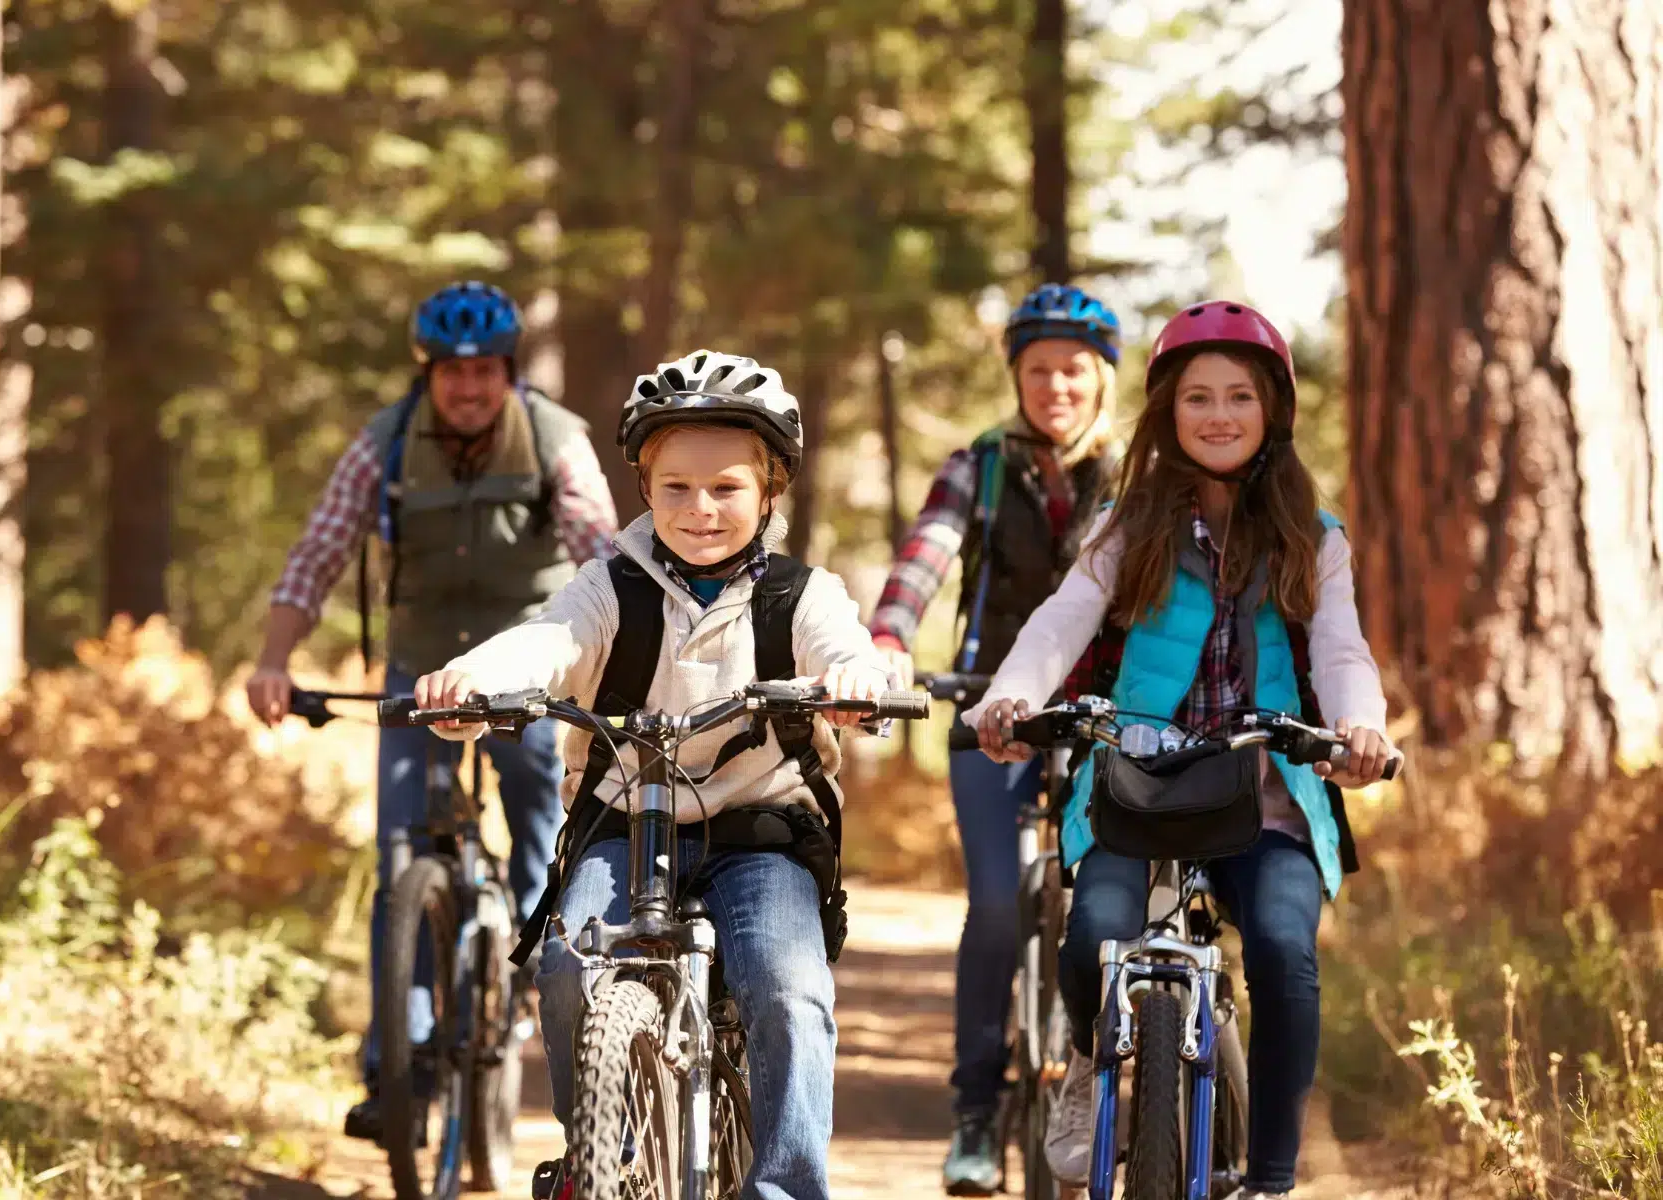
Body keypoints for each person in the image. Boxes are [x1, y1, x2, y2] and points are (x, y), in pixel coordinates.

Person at [416, 350, 892, 1200]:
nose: (699, 509)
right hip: (623, 823)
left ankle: (785, 1187)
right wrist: (475, 678)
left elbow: (849, 652)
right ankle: (601, 1158)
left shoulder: (801, 596)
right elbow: (547, 639)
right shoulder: (609, 586)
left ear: (771, 489)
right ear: (644, 486)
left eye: (726, 488)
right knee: (566, 963)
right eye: (675, 487)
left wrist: (860, 686)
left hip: (763, 835)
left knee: (787, 987)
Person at [965, 301, 1399, 1198]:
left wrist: (1362, 726)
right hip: (1136, 781)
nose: (1218, 414)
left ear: (1273, 409)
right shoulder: (1129, 522)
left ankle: (1274, 1178)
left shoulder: (1313, 537)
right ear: (1166, 410)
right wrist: (1011, 697)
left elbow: (1342, 650)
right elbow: (1061, 621)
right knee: (1093, 939)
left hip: (1266, 783)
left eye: (1240, 396)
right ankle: (1092, 1065)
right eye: (1196, 396)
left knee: (1284, 950)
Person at [246, 280, 619, 1141]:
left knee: (543, 831)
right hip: (418, 672)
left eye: (485, 370)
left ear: (507, 371)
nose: (468, 388)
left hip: (524, 668)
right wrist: (272, 661)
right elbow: (316, 557)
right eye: (451, 373)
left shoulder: (557, 440)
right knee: (402, 854)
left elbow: (600, 553)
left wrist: (616, 662)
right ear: (427, 375)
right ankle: (399, 1069)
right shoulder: (381, 444)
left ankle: (537, 995)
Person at [864, 282, 1124, 1194]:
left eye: (1073, 371)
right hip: (986, 705)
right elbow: (926, 553)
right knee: (997, 905)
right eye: (1038, 370)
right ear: (1017, 376)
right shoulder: (977, 463)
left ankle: (1129, 1078)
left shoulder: (1137, 471)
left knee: (1111, 900)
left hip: (1106, 712)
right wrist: (891, 637)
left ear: (1104, 379)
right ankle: (976, 1111)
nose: (1055, 387)